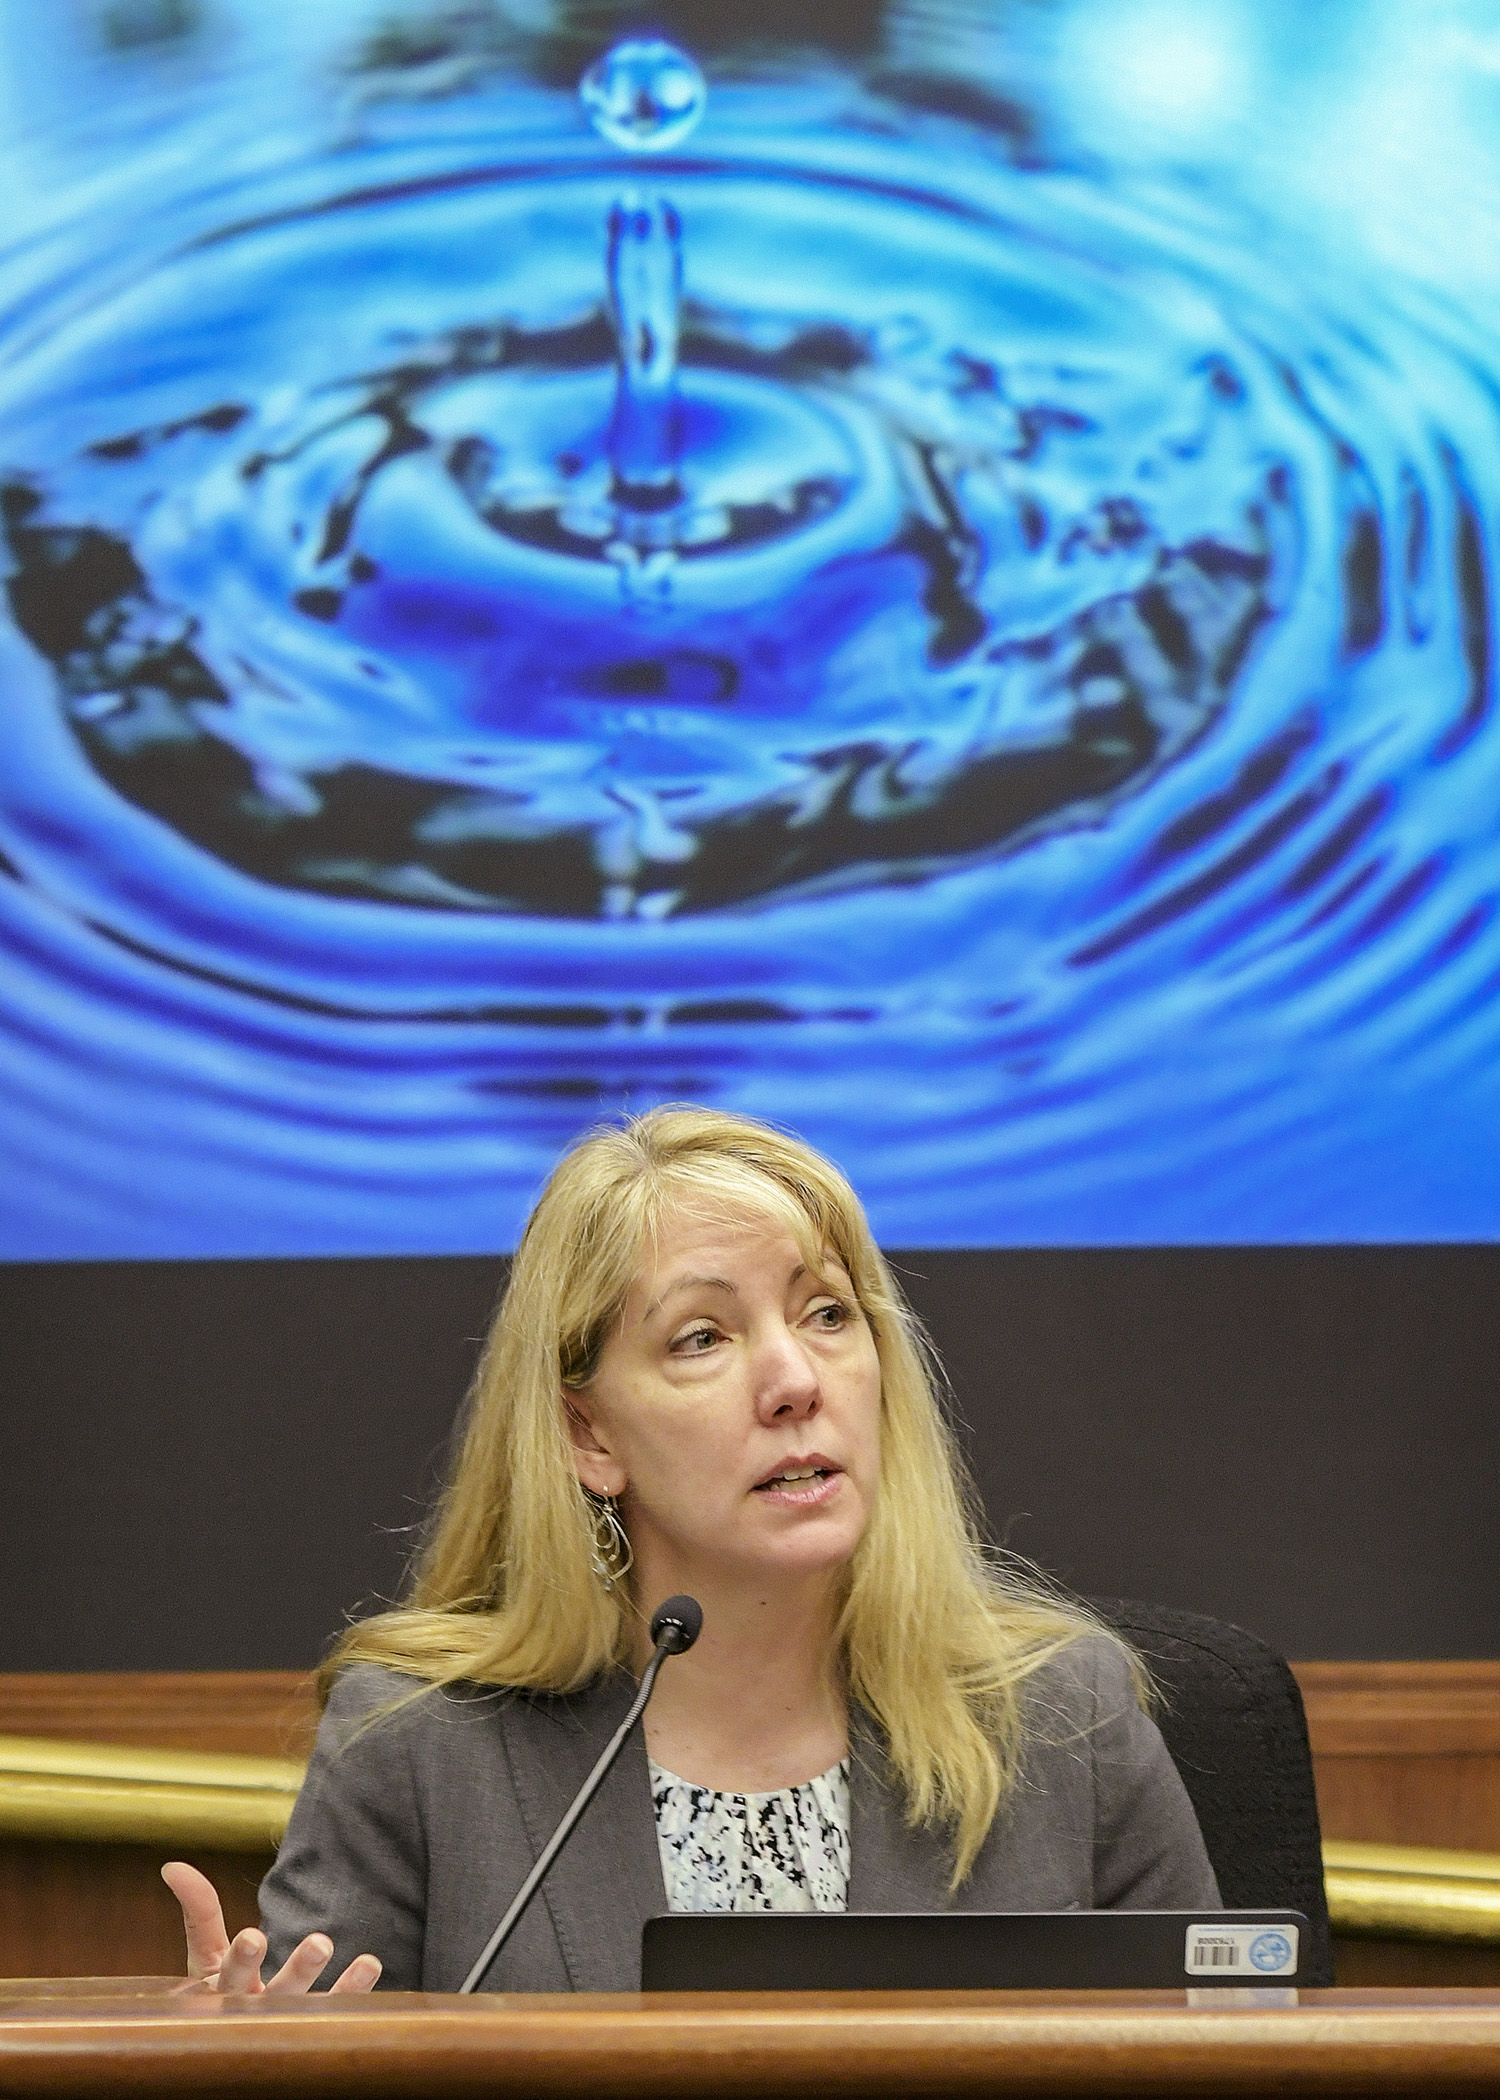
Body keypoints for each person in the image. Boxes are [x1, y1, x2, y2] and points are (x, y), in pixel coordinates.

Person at [164, 1105, 1218, 1994]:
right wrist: (237, 2078)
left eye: (827, 1313)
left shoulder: (1063, 1724)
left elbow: (1222, 2074)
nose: (795, 1380)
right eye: (702, 1338)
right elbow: (317, 2055)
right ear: (589, 1435)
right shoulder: (422, 1748)